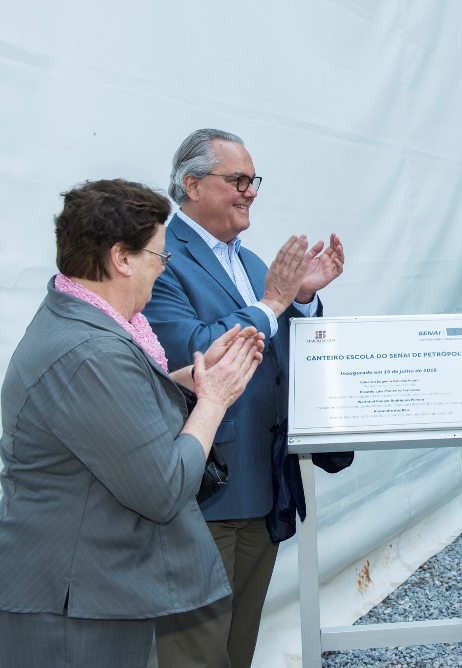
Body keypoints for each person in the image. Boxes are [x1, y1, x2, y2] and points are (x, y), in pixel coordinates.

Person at [0, 179, 263, 668]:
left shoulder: (83, 320)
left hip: (86, 592)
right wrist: (215, 401)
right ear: (122, 259)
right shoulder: (91, 352)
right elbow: (163, 489)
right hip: (73, 607)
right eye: (159, 258)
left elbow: (123, 408)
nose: (163, 272)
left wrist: (198, 377)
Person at [143, 128, 345, 668]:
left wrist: (301, 299)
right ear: (191, 184)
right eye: (236, 180)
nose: (250, 191)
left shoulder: (251, 262)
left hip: (265, 486)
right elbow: (192, 356)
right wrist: (273, 303)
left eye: (253, 181)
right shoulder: (159, 258)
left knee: (238, 647)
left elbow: (281, 345)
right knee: (194, 653)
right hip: (205, 494)